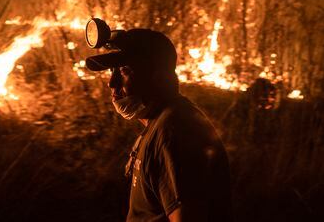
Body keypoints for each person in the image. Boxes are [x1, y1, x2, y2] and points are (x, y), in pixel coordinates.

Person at [86, 28, 233, 222]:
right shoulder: (159, 124)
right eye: (112, 71)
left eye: (124, 71)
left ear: (157, 76)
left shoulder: (174, 132)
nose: (112, 84)